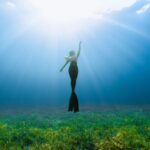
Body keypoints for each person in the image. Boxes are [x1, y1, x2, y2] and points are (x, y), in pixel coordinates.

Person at [60, 41, 82, 112]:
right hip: (73, 69)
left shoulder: (74, 56)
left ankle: (72, 106)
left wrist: (79, 44)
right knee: (73, 82)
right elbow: (66, 62)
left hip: (73, 69)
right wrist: (62, 68)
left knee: (73, 83)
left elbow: (79, 51)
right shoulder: (71, 57)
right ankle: (74, 107)